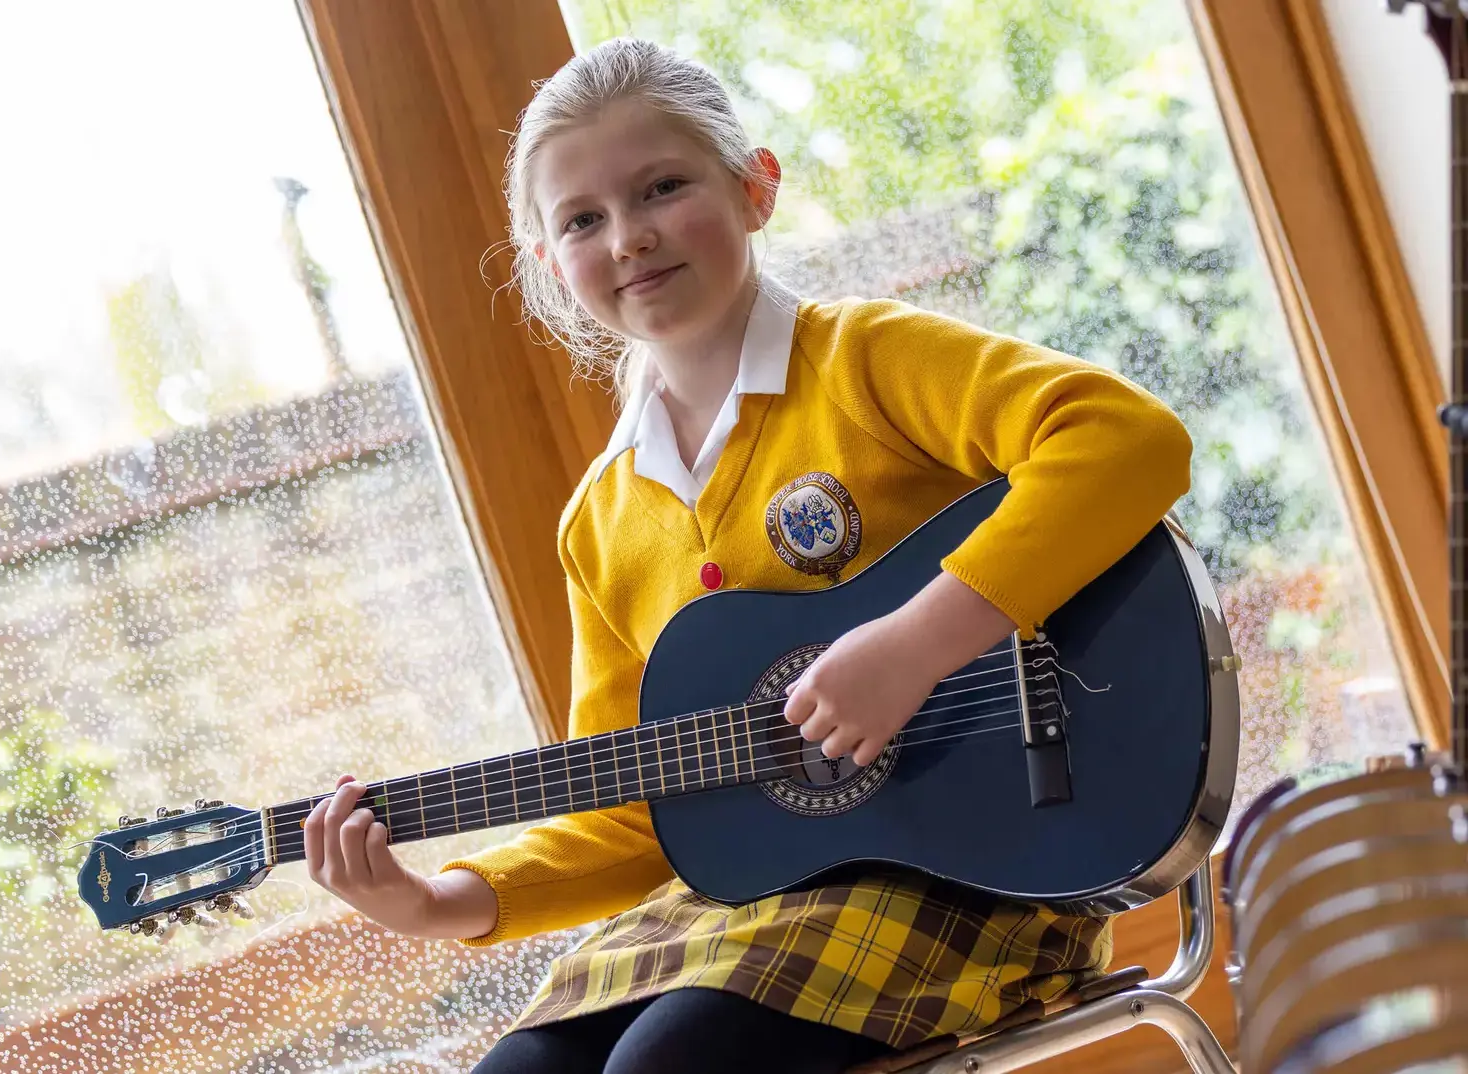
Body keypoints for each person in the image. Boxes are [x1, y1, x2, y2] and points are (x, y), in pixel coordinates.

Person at [302, 36, 1193, 1074]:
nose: (628, 237)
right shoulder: (601, 521)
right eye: (582, 220)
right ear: (551, 265)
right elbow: (639, 814)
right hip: (750, 906)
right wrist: (435, 902)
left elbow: (1127, 441)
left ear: (754, 188)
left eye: (661, 188)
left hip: (985, 860)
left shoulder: (864, 361)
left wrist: (914, 647)